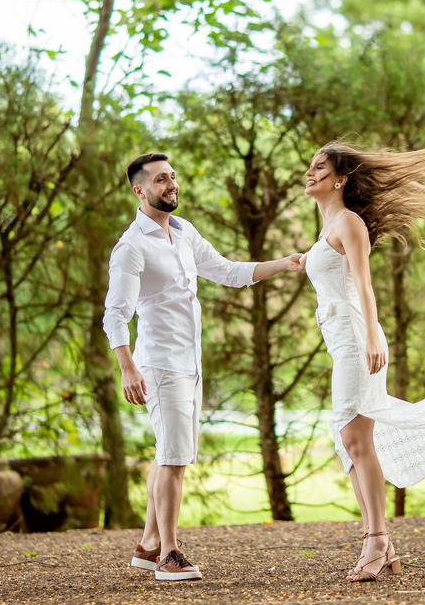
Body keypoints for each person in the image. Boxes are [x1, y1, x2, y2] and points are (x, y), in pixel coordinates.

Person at [103, 152, 303, 582]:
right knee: (174, 459)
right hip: (159, 365)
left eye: (173, 176)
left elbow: (228, 271)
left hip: (189, 363)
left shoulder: (183, 231)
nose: (171, 184)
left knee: (169, 453)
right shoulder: (131, 246)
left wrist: (284, 264)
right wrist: (127, 367)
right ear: (139, 190)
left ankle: (148, 545)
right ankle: (168, 555)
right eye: (161, 179)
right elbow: (115, 314)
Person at [299, 142, 425, 582]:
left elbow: (364, 286)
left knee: (355, 438)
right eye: (310, 166)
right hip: (339, 340)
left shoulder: (349, 222)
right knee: (350, 440)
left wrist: (371, 336)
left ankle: (376, 541)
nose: (310, 173)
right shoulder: (329, 226)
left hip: (356, 338)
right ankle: (381, 544)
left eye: (320, 167)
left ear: (340, 179)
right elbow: (330, 273)